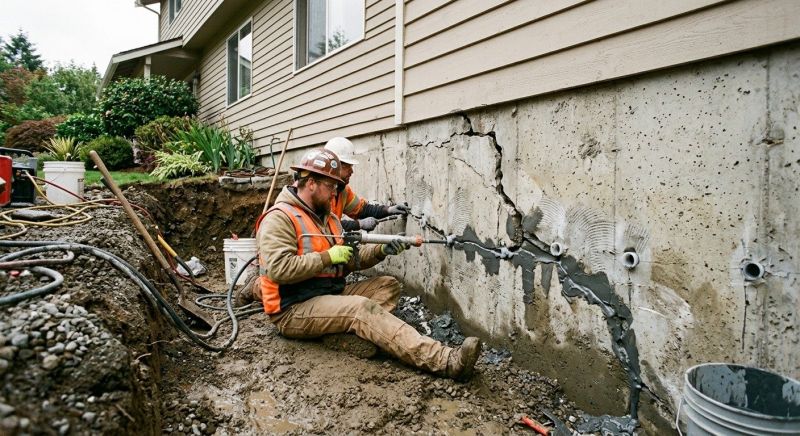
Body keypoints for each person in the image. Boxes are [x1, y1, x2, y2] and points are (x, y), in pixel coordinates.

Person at [253, 148, 481, 380]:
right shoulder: (279, 218)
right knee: (360, 308)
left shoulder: (328, 219)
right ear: (311, 183)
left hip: (326, 293)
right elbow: (278, 269)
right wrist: (328, 257)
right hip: (293, 308)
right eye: (331, 186)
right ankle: (445, 360)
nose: (335, 193)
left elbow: (349, 259)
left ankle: (341, 334)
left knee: (388, 286)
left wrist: (381, 251)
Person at [324, 137, 410, 231]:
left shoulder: (343, 191)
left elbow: (362, 210)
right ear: (334, 166)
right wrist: (359, 224)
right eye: (348, 166)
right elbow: (326, 225)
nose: (352, 171)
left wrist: (389, 210)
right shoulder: (320, 192)